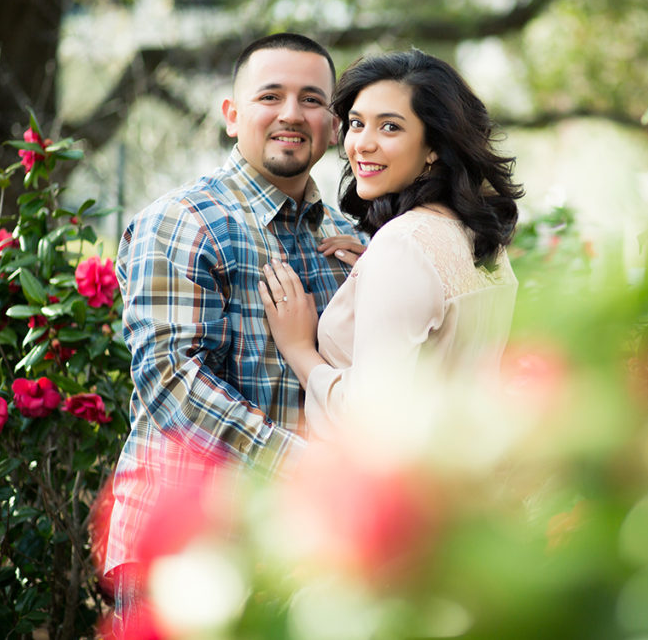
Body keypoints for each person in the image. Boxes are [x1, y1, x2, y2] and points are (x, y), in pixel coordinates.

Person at [104, 32, 364, 632]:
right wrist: (308, 473)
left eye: (312, 99)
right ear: (231, 115)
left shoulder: (354, 241)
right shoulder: (184, 221)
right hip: (187, 545)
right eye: (270, 95)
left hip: (303, 555)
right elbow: (173, 386)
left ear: (332, 123)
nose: (291, 114)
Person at [259, 49, 523, 440]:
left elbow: (370, 423)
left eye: (390, 127)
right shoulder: (481, 241)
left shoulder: (404, 246)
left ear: (434, 145)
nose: (362, 144)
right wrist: (377, 275)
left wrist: (299, 349)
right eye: (356, 123)